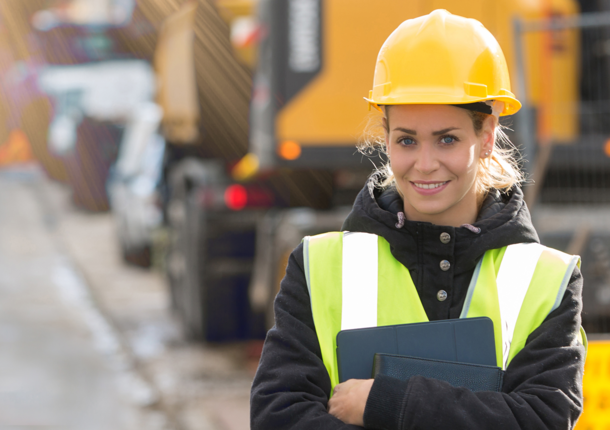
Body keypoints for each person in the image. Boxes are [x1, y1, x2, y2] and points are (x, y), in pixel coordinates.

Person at [250, 9, 586, 430]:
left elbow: (543, 419)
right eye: (406, 140)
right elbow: (278, 414)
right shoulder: (318, 266)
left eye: (447, 139)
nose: (424, 164)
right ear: (385, 136)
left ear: (485, 136)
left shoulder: (546, 280)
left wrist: (387, 402)